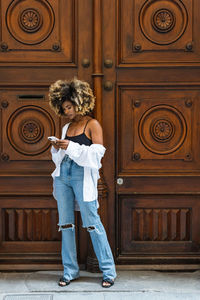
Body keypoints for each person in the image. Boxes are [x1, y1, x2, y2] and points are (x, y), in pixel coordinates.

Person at [48, 78, 116, 288]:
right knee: (66, 224)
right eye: (64, 107)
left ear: (80, 101)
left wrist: (71, 146)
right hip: (63, 175)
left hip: (82, 175)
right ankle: (70, 271)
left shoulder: (92, 124)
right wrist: (58, 147)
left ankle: (109, 271)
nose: (66, 111)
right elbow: (59, 157)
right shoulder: (67, 126)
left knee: (93, 223)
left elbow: (97, 156)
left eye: (69, 106)